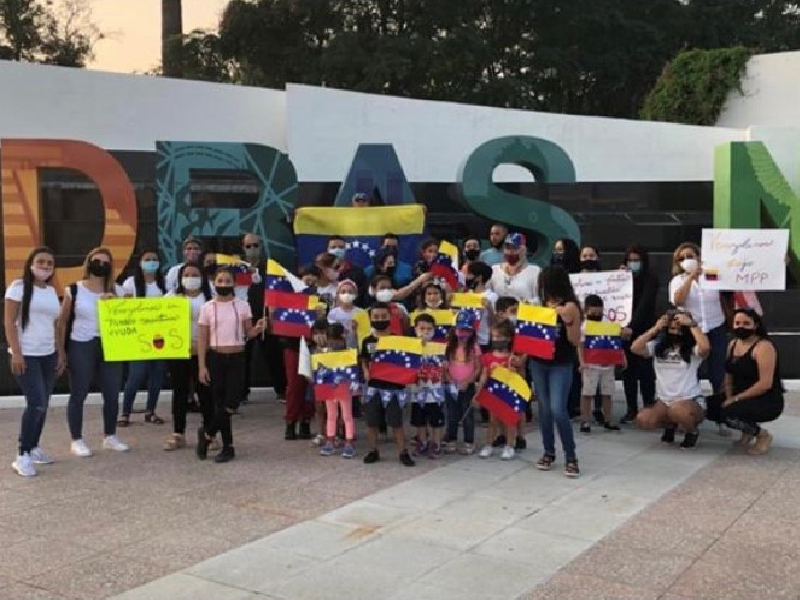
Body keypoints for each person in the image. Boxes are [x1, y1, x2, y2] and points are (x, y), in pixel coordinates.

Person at [57, 247, 129, 457]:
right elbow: (62, 324)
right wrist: (61, 351)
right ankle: (76, 439)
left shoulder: (120, 290)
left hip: (111, 345)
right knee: (79, 392)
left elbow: (129, 320)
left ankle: (110, 435)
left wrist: (116, 304)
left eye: (105, 262)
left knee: (112, 392)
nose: (101, 265)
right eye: (97, 261)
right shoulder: (75, 289)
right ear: (88, 263)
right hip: (82, 343)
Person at [196, 268, 266, 463]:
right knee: (220, 402)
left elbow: (249, 332)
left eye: (228, 281)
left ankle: (207, 433)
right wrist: (202, 366)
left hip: (237, 357)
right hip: (216, 357)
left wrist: (258, 328)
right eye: (220, 280)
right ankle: (228, 446)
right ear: (214, 282)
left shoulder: (242, 306)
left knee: (231, 402)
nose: (224, 284)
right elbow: (202, 339)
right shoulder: (207, 307)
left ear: (234, 283)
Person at [5, 247, 64, 476]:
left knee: (43, 404)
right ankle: (22, 454)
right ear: (31, 263)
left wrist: (60, 352)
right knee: (36, 402)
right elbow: (9, 322)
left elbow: (55, 325)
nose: (46, 266)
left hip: (47, 355)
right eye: (41, 262)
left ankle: (34, 446)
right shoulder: (18, 287)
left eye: (50, 263)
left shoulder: (50, 290)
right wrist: (17, 353)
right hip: (26, 355)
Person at [669, 241, 731, 437]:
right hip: (690, 331)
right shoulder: (677, 280)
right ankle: (689, 416)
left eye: (691, 256)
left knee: (718, 374)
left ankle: (722, 418)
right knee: (690, 373)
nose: (687, 260)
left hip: (715, 328)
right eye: (682, 258)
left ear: (699, 257)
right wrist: (691, 278)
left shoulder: (712, 276)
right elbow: (678, 301)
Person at [529, 266, 582, 478]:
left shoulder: (571, 306)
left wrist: (568, 320)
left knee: (558, 409)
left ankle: (571, 456)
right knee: (544, 408)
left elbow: (575, 340)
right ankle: (548, 451)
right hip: (538, 361)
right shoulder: (540, 305)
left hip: (561, 363)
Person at [631, 310, 709, 449]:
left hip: (689, 399)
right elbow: (635, 348)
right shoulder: (658, 347)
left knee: (678, 411)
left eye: (679, 329)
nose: (675, 332)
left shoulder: (692, 349)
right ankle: (670, 424)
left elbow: (705, 348)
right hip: (664, 400)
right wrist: (655, 328)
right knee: (643, 419)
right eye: (672, 328)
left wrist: (692, 325)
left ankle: (692, 432)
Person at [163, 262, 215, 451]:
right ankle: (178, 433)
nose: (190, 278)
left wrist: (205, 345)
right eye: (187, 274)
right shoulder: (171, 297)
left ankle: (210, 433)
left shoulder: (211, 298)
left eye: (195, 274)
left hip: (205, 353)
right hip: (178, 353)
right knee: (180, 392)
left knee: (206, 393)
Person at [722, 309, 784, 455]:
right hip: (739, 396)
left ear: (755, 325)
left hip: (765, 399)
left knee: (729, 414)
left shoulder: (764, 347)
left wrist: (735, 399)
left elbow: (765, 384)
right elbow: (728, 374)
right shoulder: (733, 344)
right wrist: (728, 396)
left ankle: (762, 435)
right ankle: (747, 431)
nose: (741, 327)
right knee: (710, 408)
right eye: (737, 323)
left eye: (746, 323)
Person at [360, 302, 415, 466]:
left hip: (394, 388)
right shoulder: (367, 341)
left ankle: (403, 452)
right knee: (372, 422)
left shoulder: (399, 340)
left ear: (390, 317)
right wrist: (365, 370)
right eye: (376, 317)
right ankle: (372, 450)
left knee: (396, 422)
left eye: (383, 316)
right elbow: (364, 359)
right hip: (374, 387)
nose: (379, 319)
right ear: (370, 318)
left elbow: (409, 361)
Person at [119, 249, 167, 426]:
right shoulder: (130, 283)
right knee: (136, 375)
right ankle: (125, 412)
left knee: (156, 375)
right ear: (140, 263)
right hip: (138, 337)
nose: (151, 262)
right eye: (148, 259)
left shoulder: (165, 283)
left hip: (160, 336)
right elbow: (123, 307)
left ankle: (151, 411)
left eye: (155, 259)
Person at [243, 232, 285, 404]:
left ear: (261, 246)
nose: (252, 249)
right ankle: (242, 392)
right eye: (248, 246)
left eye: (255, 245)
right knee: (243, 356)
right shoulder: (238, 267)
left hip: (266, 316)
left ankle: (281, 390)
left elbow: (278, 290)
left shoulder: (270, 266)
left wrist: (272, 316)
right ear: (243, 248)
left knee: (273, 355)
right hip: (243, 318)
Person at [620, 244, 659, 423]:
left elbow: (645, 305)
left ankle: (649, 405)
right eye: (630, 260)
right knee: (628, 371)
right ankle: (631, 408)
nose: (633, 263)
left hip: (644, 329)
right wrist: (619, 278)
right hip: (624, 330)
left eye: (636, 260)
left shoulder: (650, 278)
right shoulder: (623, 276)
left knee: (645, 371)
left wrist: (633, 327)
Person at [476, 320, 524, 460]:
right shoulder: (488, 357)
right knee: (493, 420)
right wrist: (480, 388)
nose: (496, 339)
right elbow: (485, 373)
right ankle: (489, 445)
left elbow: (521, 378)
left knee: (509, 420)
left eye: (500, 337)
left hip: (509, 393)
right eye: (494, 336)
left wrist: (515, 370)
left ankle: (510, 445)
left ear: (509, 338)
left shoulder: (513, 358)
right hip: (493, 393)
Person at [579, 294, 622, 434]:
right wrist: (582, 362)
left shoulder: (608, 323)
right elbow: (580, 345)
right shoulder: (584, 326)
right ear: (586, 310)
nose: (597, 315)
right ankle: (585, 420)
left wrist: (621, 357)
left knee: (607, 393)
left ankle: (608, 420)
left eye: (599, 312)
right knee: (587, 393)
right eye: (594, 312)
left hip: (608, 365)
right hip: (591, 365)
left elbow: (616, 342)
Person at [444, 310, 482, 455]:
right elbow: (445, 366)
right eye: (461, 330)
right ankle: (451, 439)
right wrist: (448, 378)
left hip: (468, 385)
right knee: (452, 414)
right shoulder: (449, 346)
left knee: (467, 415)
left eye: (467, 330)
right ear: (455, 330)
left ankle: (468, 441)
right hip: (451, 384)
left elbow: (478, 368)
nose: (464, 334)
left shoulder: (474, 347)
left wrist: (468, 381)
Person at [410, 313, 447, 458]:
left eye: (429, 329)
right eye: (422, 328)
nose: (425, 332)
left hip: (435, 391)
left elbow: (444, 366)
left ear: (434, 330)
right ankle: (422, 442)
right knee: (419, 419)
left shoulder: (440, 347)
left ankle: (436, 443)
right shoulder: (411, 347)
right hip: (417, 391)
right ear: (415, 329)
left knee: (436, 420)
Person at [489, 233, 541, 303]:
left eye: (515, 248)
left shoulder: (535, 271)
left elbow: (539, 299)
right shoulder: (494, 270)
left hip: (524, 311)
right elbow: (488, 295)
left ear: (524, 250)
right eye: (507, 248)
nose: (510, 251)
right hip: (499, 312)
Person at [326, 235, 369, 307]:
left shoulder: (357, 271)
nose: (337, 250)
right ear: (328, 250)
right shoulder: (321, 272)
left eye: (341, 247)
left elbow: (363, 296)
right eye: (333, 247)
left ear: (345, 249)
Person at [327, 279, 365, 349]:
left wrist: (356, 329)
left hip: (355, 348)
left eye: (350, 292)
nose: (346, 294)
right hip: (338, 349)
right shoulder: (333, 313)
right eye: (343, 292)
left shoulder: (361, 312)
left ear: (355, 295)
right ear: (338, 294)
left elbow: (365, 332)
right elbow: (330, 332)